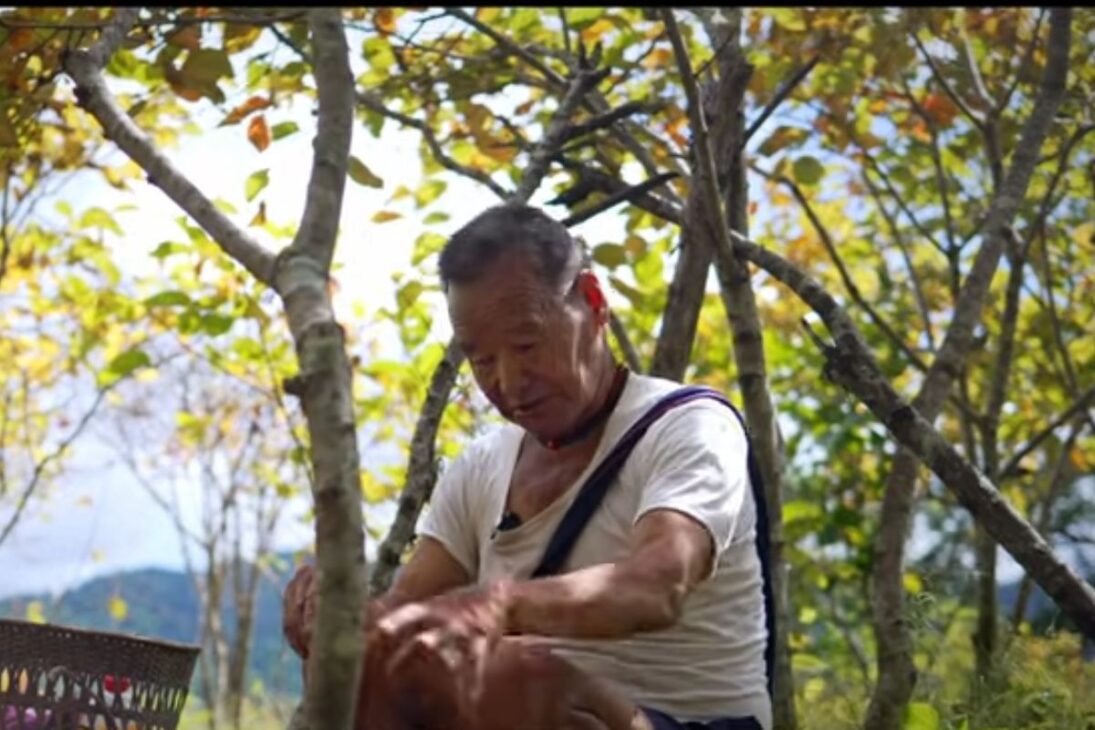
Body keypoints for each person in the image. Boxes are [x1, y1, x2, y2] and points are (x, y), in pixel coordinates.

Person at [283, 203, 772, 730]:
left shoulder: (691, 426)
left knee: (518, 678)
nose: (509, 382)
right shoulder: (482, 464)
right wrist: (335, 619)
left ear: (592, 301)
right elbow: (405, 621)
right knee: (375, 673)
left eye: (526, 343)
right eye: (483, 360)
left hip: (685, 722)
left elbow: (656, 584)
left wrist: (497, 606)